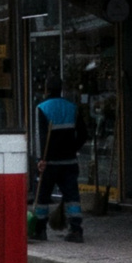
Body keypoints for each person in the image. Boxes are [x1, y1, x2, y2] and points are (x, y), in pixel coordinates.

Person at [33, 78, 85, 242]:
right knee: (72, 197)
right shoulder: (72, 108)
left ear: (46, 90)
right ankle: (76, 230)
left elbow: (40, 136)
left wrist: (40, 159)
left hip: (49, 162)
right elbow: (83, 134)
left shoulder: (41, 108)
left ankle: (40, 230)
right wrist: (73, 149)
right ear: (61, 89)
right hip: (69, 162)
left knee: (42, 197)